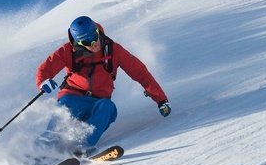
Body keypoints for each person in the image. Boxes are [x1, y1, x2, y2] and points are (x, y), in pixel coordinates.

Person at [35, 16, 170, 155]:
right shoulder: (68, 51)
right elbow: (46, 67)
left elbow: (140, 72)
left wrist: (161, 100)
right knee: (63, 116)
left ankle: (81, 147)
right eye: (87, 41)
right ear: (78, 42)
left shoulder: (113, 50)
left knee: (108, 107)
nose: (94, 43)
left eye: (95, 36)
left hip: (98, 102)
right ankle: (40, 152)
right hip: (73, 96)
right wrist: (43, 81)